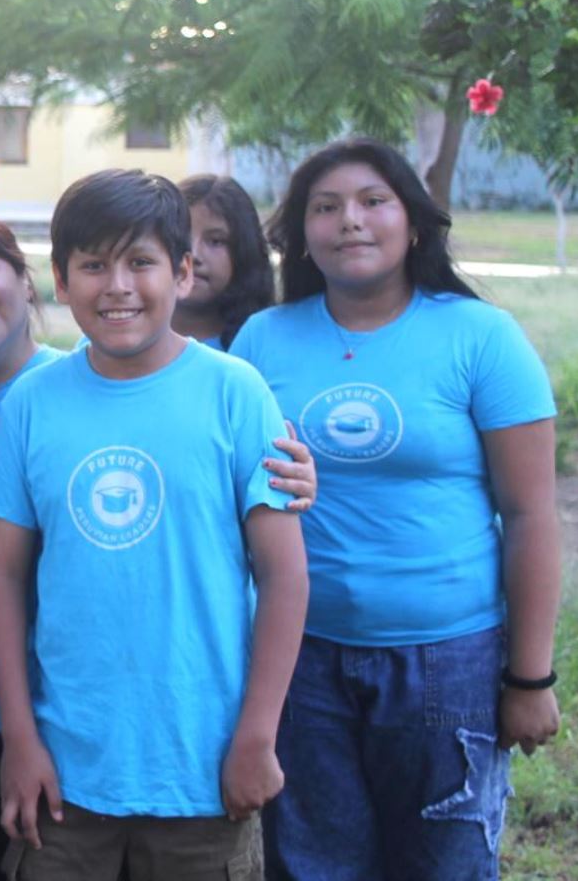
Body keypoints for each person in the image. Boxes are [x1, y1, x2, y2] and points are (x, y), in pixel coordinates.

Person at [0, 208, 317, 879]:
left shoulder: (215, 387)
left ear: (28, 280)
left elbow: (279, 566)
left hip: (179, 749)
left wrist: (259, 732)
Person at [230, 138, 560, 879]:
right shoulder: (262, 339)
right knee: (313, 864)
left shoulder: (481, 337)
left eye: (373, 200)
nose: (350, 220)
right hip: (300, 655)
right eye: (326, 206)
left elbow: (532, 514)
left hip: (447, 660)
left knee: (443, 865)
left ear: (413, 223)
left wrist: (530, 678)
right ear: (303, 236)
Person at [0, 169, 309, 880]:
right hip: (66, 769)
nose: (117, 285)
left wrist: (257, 732)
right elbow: (3, 576)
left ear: (183, 273)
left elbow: (283, 575)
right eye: (93, 264)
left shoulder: (235, 391)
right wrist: (19, 738)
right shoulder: (32, 404)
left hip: (203, 767)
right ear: (60, 280)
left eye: (141, 262)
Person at [171, 174, 275, 351]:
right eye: (182, 237)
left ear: (244, 253)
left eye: (215, 241)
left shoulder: (267, 346)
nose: (194, 255)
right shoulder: (125, 340)